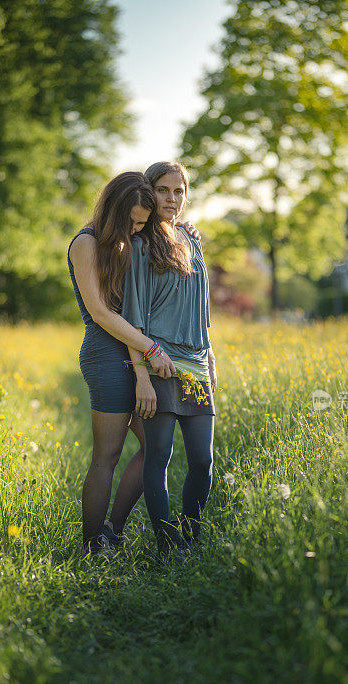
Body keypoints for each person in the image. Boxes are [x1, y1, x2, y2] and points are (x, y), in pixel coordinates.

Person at [68, 171, 198, 557]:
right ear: (113, 210)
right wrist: (152, 350)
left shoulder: (128, 241)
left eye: (142, 223)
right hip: (107, 354)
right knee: (106, 455)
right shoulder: (86, 244)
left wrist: (183, 228)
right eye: (132, 222)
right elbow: (103, 314)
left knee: (156, 448)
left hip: (136, 351)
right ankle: (93, 545)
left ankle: (114, 529)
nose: (136, 229)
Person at [122, 162, 217, 559]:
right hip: (158, 359)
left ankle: (190, 535)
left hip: (195, 362)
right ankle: (167, 544)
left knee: (202, 460)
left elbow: (200, 307)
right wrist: (141, 374)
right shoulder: (140, 245)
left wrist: (210, 357)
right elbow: (132, 315)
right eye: (163, 190)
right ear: (149, 191)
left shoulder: (192, 241)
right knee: (159, 456)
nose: (172, 199)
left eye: (179, 192)